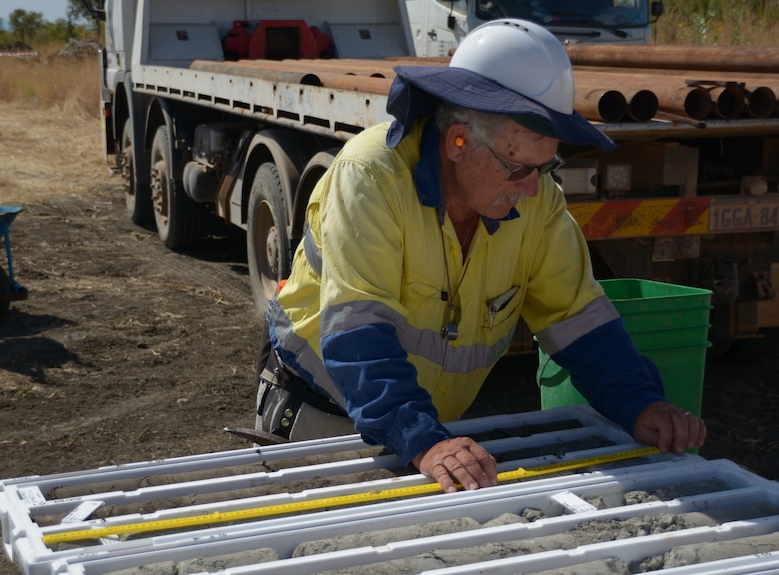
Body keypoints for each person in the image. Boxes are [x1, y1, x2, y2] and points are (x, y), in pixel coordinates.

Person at [255, 18, 707, 493]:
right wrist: (422, 439)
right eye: (518, 168)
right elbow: (359, 334)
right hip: (322, 419)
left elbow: (578, 319)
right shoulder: (371, 178)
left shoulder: (537, 199)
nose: (533, 187)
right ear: (458, 142)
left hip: (423, 429)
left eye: (545, 165)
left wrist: (639, 404)